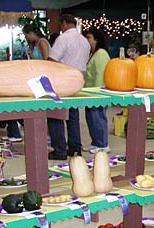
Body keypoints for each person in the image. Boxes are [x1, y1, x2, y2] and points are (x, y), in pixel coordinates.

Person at [46, 13, 91, 160]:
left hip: (61, 80)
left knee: (56, 114)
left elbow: (52, 60)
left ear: (64, 23)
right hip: (77, 81)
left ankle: (59, 150)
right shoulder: (84, 41)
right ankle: (75, 148)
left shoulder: (63, 38)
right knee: (73, 115)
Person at [82, 27, 111, 154]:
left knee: (98, 117)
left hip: (98, 92)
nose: (86, 40)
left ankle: (103, 144)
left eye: (89, 37)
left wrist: (98, 93)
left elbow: (101, 74)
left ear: (96, 39)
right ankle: (95, 142)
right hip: (89, 92)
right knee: (91, 118)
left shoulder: (101, 54)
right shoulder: (92, 53)